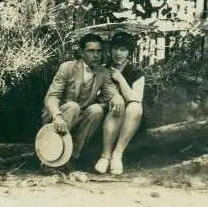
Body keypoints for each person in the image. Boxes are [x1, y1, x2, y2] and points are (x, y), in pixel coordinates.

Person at [41, 33, 121, 170]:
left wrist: (117, 97)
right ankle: (50, 158)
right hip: (59, 117)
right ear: (82, 52)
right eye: (91, 51)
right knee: (73, 107)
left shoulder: (103, 72)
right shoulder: (67, 67)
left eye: (99, 51)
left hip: (81, 119)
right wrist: (57, 116)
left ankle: (69, 157)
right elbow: (52, 97)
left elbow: (110, 91)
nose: (95, 55)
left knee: (96, 110)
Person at [94, 31, 145, 175]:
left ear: (129, 52)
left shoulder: (136, 71)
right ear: (110, 50)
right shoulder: (103, 68)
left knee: (135, 107)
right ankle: (105, 156)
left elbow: (136, 98)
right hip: (107, 114)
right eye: (115, 48)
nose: (118, 53)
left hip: (131, 119)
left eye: (123, 49)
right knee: (117, 107)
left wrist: (120, 78)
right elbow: (98, 93)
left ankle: (117, 155)